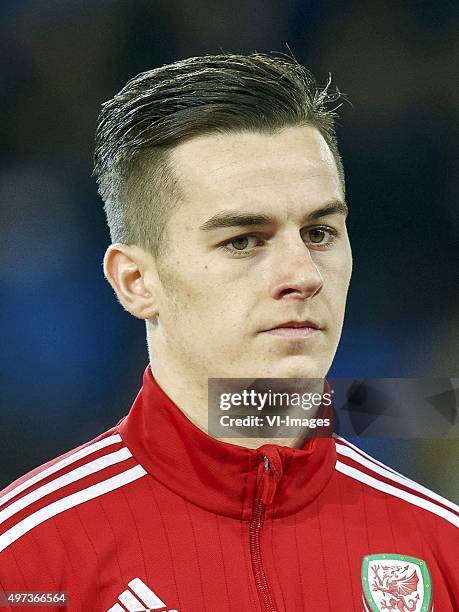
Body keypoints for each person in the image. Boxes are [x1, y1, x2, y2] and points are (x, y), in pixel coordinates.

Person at [0, 53, 457, 612]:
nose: (304, 277)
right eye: (243, 239)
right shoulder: (25, 563)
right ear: (136, 281)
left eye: (319, 232)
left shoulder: (444, 549)